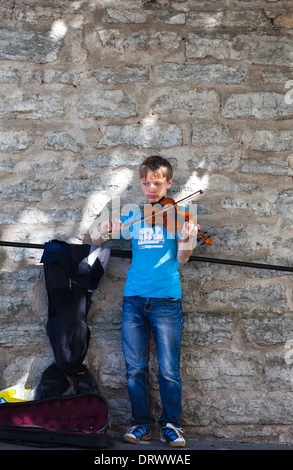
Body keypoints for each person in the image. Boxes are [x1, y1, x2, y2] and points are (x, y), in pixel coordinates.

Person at [90, 156, 198, 447]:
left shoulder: (181, 214)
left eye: (157, 183)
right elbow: (95, 237)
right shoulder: (134, 216)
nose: (151, 188)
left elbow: (182, 259)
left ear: (169, 183)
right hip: (134, 300)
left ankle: (171, 426)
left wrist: (187, 239)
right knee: (135, 368)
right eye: (146, 182)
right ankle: (141, 424)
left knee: (168, 370)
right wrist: (105, 228)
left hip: (166, 301)